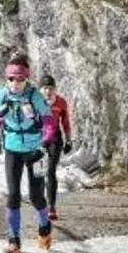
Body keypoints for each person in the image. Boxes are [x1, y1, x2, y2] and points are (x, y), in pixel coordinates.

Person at [0, 53, 58, 253]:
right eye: (11, 79)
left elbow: (49, 121)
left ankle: (44, 229)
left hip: (36, 151)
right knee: (13, 194)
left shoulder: (35, 97)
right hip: (12, 149)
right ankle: (14, 239)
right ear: (6, 78)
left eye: (20, 79)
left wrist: (47, 138)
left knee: (36, 197)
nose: (15, 83)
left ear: (27, 78)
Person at [39, 73, 75, 221]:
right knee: (38, 173)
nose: (48, 91)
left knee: (50, 171)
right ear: (40, 89)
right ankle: (40, 203)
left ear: (55, 89)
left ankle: (52, 207)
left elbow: (66, 123)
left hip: (55, 139)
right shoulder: (35, 101)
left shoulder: (60, 102)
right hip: (38, 139)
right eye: (45, 88)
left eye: (51, 88)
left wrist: (68, 141)